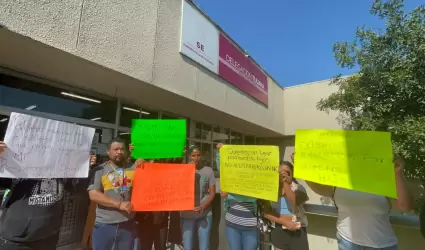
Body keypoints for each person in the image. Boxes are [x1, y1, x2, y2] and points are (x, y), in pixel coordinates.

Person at [300, 152, 413, 250]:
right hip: (347, 243)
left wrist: (398, 173)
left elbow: (405, 206)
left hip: (381, 245)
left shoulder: (381, 181)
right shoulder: (339, 181)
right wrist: (302, 166)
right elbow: (319, 188)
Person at [0, 141, 96, 250]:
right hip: (17, 239)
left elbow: (76, 189)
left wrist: (83, 169)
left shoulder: (62, 170)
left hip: (50, 235)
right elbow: (3, 182)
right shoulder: (18, 166)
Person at [88, 138, 141, 250]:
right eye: (115, 149)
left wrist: (145, 163)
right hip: (105, 225)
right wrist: (119, 204)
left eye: (122, 149)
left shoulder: (133, 168)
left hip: (128, 224)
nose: (119, 152)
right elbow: (93, 194)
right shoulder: (99, 170)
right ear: (108, 151)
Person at [216, 143, 259, 250]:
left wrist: (229, 195)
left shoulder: (256, 178)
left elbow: (253, 197)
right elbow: (222, 168)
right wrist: (220, 153)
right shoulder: (232, 174)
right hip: (232, 224)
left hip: (250, 226)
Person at [264, 160, 309, 250]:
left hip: (298, 231)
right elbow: (265, 212)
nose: (284, 175)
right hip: (279, 230)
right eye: (281, 173)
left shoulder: (299, 188)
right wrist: (284, 222)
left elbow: (293, 202)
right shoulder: (270, 190)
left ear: (292, 175)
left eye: (287, 173)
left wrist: (285, 183)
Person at [180, 145, 216, 250]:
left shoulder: (208, 171)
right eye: (193, 155)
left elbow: (212, 193)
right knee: (187, 246)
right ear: (189, 156)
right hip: (187, 214)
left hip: (204, 214)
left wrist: (203, 206)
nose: (196, 158)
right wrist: (187, 170)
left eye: (198, 155)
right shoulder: (183, 170)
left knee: (204, 246)